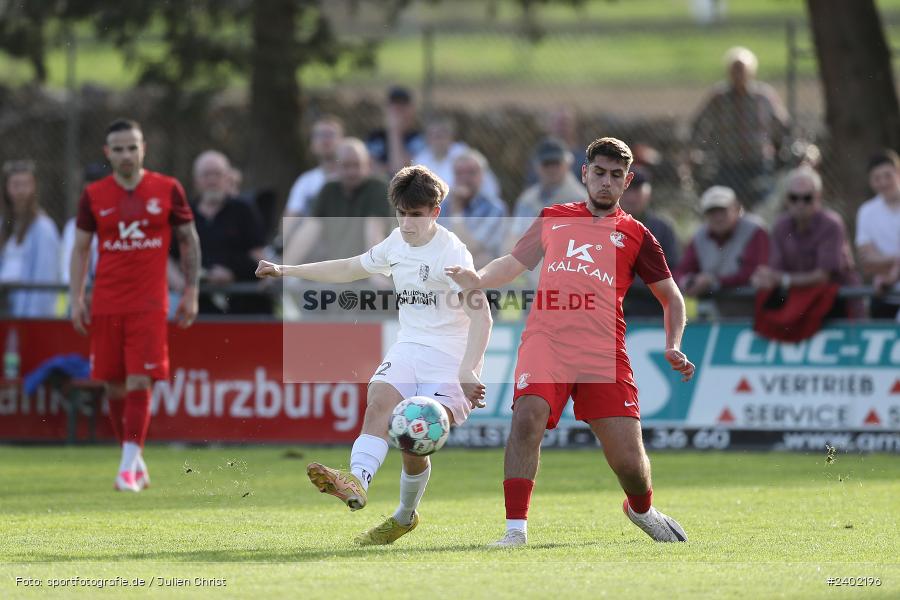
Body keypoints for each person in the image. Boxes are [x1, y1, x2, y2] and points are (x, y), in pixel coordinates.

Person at [445, 137, 696, 547]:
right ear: (584, 173)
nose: (606, 182)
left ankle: (641, 509)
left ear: (627, 181)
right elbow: (512, 263)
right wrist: (479, 279)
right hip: (547, 341)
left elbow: (672, 297)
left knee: (630, 464)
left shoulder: (637, 235)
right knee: (527, 417)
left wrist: (673, 344)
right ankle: (515, 531)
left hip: (603, 351)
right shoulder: (552, 217)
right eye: (599, 172)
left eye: (616, 176)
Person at [255, 165, 492, 545]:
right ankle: (357, 482)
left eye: (415, 215)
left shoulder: (452, 254)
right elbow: (350, 268)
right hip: (411, 346)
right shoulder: (395, 243)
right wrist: (285, 269)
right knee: (378, 400)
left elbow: (482, 313)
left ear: (435, 212)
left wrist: (469, 369)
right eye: (400, 213)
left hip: (450, 357)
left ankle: (403, 516)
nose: (407, 223)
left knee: (413, 438)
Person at [69, 118, 201, 493]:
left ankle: (126, 468)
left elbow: (188, 241)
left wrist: (191, 291)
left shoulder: (167, 188)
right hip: (107, 302)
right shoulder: (94, 194)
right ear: (107, 153)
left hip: (148, 303)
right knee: (112, 385)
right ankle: (134, 460)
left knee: (140, 379)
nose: (126, 154)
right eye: (119, 148)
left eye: (133, 147)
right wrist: (77, 297)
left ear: (144, 149)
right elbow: (80, 249)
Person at [751, 166, 862, 318]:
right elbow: (775, 272)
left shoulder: (831, 224)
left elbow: (822, 277)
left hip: (838, 303)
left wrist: (782, 279)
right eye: (794, 198)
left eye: (807, 198)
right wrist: (765, 278)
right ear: (786, 199)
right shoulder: (780, 225)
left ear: (818, 197)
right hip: (801, 302)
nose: (800, 203)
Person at [691, 47, 790, 209]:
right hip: (728, 164)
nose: (738, 75)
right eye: (734, 70)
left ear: (751, 72)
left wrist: (780, 149)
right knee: (728, 206)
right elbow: (699, 123)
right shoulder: (719, 97)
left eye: (742, 70)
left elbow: (783, 125)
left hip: (759, 163)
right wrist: (700, 149)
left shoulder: (763, 96)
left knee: (761, 205)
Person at [183, 150, 270, 315]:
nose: (212, 180)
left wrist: (233, 273)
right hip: (198, 304)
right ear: (196, 180)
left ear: (227, 178)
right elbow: (171, 258)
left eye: (217, 174)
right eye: (206, 175)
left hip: (243, 302)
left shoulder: (243, 210)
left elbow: (258, 256)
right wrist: (185, 284)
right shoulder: (185, 215)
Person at [282, 138, 392, 267]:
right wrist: (285, 269)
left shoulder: (378, 187)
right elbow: (309, 231)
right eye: (346, 165)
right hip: (340, 268)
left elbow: (374, 231)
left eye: (357, 165)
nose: (352, 172)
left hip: (371, 268)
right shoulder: (329, 189)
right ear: (336, 166)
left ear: (368, 164)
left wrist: (375, 272)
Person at [674, 185, 769, 317]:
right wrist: (688, 282)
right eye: (712, 212)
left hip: (753, 310)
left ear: (736, 209)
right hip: (717, 311)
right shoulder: (699, 236)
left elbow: (753, 273)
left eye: (723, 211)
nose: (718, 217)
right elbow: (681, 271)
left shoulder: (754, 231)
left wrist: (712, 281)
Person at [0, 160, 61, 317]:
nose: (21, 191)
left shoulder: (44, 228)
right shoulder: (3, 225)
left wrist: (32, 320)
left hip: (25, 312)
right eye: (15, 184)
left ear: (34, 187)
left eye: (26, 184)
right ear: (6, 188)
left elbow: (44, 283)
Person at [619, 170, 680, 317]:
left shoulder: (662, 228)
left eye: (637, 191)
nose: (632, 197)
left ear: (648, 194)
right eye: (627, 191)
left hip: (652, 305)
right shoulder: (602, 226)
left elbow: (673, 268)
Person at [506, 137, 586, 249]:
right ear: (536, 166)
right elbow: (514, 236)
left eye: (556, 163)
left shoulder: (580, 199)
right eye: (546, 163)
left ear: (567, 164)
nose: (551, 168)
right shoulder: (527, 199)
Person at [438, 149, 508, 267]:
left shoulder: (495, 208)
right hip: (446, 269)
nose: (465, 178)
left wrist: (456, 211)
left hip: (481, 272)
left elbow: (469, 248)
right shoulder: (441, 206)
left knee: (485, 258)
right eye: (459, 173)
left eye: (471, 172)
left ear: (482, 176)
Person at [856, 150, 900, 319]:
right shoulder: (866, 212)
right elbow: (867, 263)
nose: (883, 182)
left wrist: (888, 273)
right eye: (876, 178)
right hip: (884, 298)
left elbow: (874, 261)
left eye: (887, 175)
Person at [284, 115, 344, 220]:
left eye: (330, 134)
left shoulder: (354, 177)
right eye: (320, 135)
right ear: (312, 144)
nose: (325, 140)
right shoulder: (305, 181)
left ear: (342, 141)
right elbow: (290, 220)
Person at [365, 86, 426, 176]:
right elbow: (368, 169)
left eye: (403, 107)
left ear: (412, 110)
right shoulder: (375, 137)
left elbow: (400, 172)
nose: (398, 112)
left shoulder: (418, 139)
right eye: (395, 107)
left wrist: (394, 132)